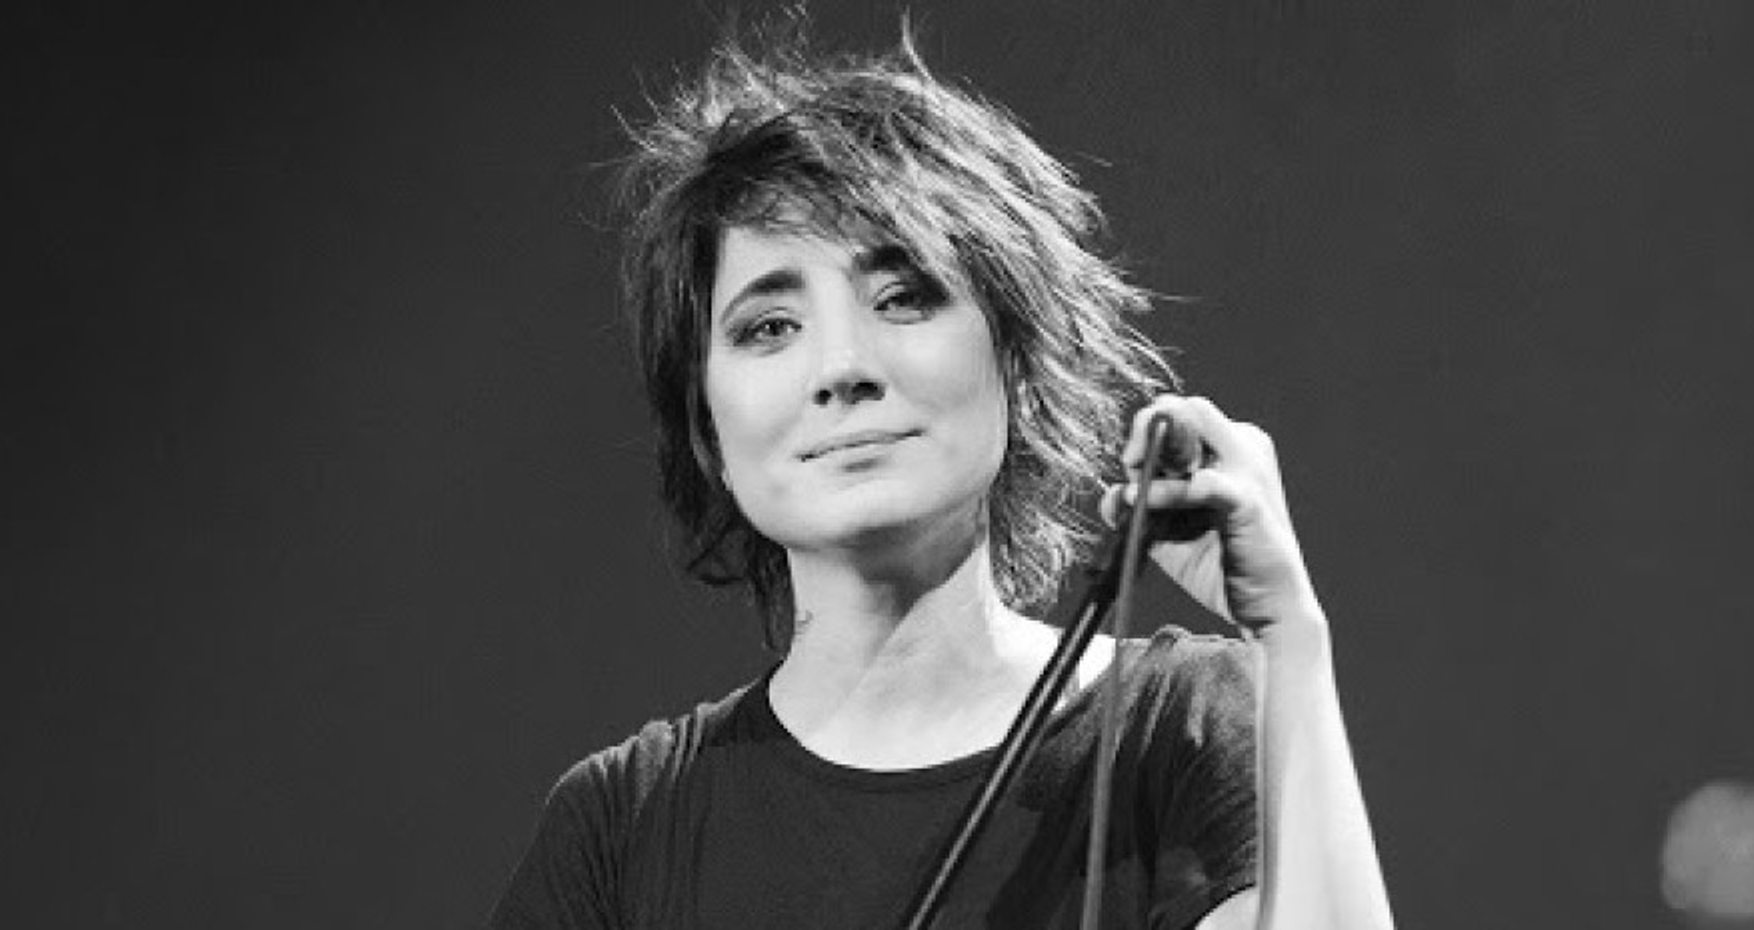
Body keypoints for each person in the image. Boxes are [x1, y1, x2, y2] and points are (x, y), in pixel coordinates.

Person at [489, 23, 1393, 930]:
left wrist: (1292, 641)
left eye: (903, 298)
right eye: (770, 327)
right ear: (709, 425)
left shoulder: (1181, 728)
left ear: (1016, 358)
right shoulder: (621, 826)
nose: (842, 367)